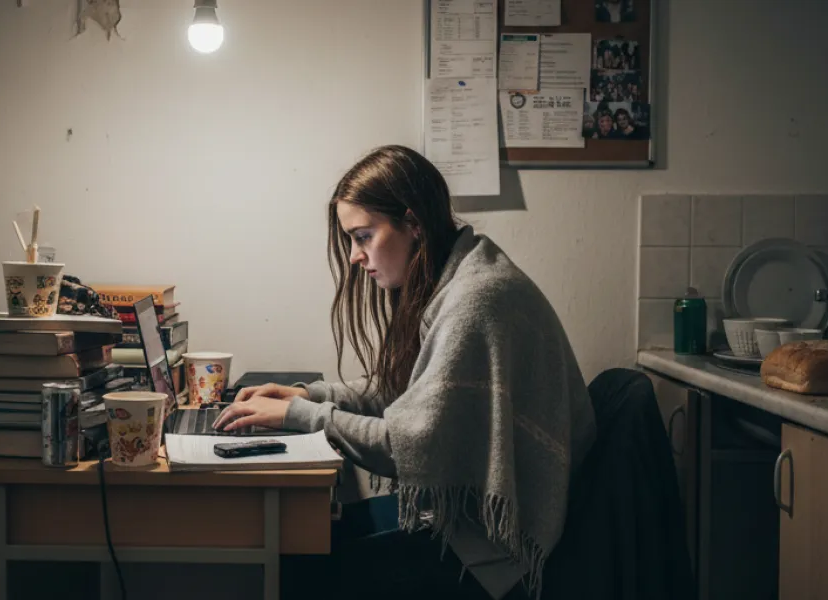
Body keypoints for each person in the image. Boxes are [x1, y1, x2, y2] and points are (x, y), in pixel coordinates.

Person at [213, 145, 597, 600]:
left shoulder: (474, 302)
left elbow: (408, 447)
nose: (355, 256)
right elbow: (406, 391)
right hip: (472, 526)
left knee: (302, 565)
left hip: (493, 553)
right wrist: (309, 394)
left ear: (413, 224)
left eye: (363, 236)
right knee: (303, 537)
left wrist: (301, 415)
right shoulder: (462, 272)